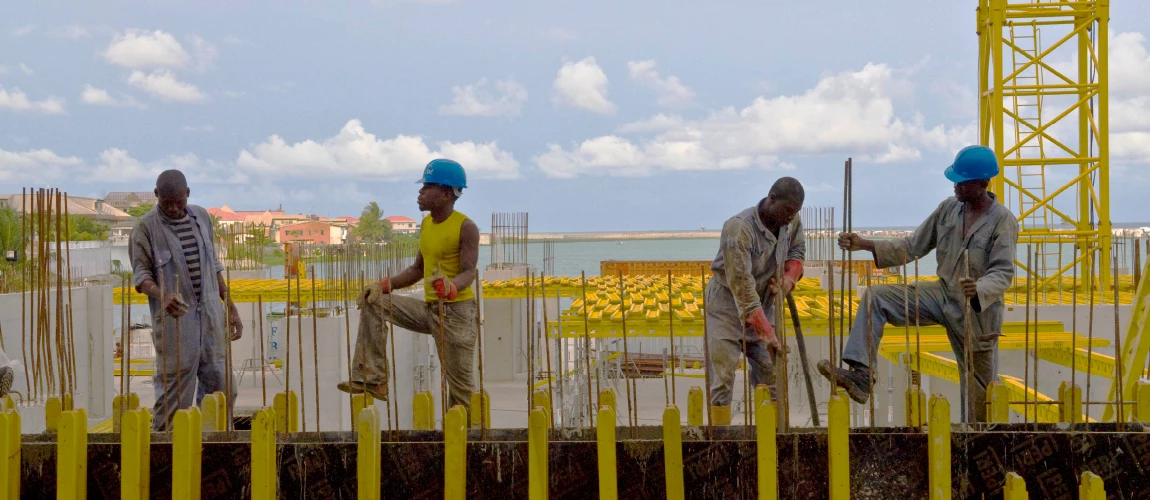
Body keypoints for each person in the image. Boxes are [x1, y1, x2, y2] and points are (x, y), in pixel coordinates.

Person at [818, 145, 1018, 422]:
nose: (955, 185)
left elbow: (1003, 271)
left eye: (962, 181)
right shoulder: (948, 209)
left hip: (977, 311)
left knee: (979, 387)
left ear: (982, 183)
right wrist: (865, 245)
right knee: (877, 297)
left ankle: (977, 440)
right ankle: (862, 374)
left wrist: (979, 288)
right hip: (942, 294)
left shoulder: (1003, 221)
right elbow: (912, 246)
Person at [338, 159, 480, 412]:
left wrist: (452, 286)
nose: (420, 192)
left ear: (446, 193)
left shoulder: (466, 227)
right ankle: (373, 379)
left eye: (427, 187)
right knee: (375, 302)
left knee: (460, 392)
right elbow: (417, 269)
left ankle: (463, 441)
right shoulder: (426, 224)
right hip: (430, 310)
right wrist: (382, 286)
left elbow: (469, 271)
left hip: (457, 314)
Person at [130, 170, 243, 431]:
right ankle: (167, 455)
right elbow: (141, 276)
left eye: (178, 202)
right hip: (176, 322)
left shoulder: (202, 217)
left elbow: (214, 266)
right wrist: (162, 294)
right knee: (175, 396)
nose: (172, 208)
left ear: (188, 194)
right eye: (166, 202)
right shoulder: (145, 228)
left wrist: (230, 306)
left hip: (211, 318)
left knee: (224, 389)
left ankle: (213, 449)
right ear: (156, 195)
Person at [705, 177, 805, 425]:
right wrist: (767, 334)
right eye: (787, 211)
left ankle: (769, 437)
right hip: (727, 304)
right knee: (723, 377)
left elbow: (797, 252)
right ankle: (720, 440)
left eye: (795, 212)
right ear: (771, 199)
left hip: (764, 301)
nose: (791, 218)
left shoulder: (791, 222)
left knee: (770, 374)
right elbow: (744, 292)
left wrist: (788, 279)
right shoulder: (739, 229)